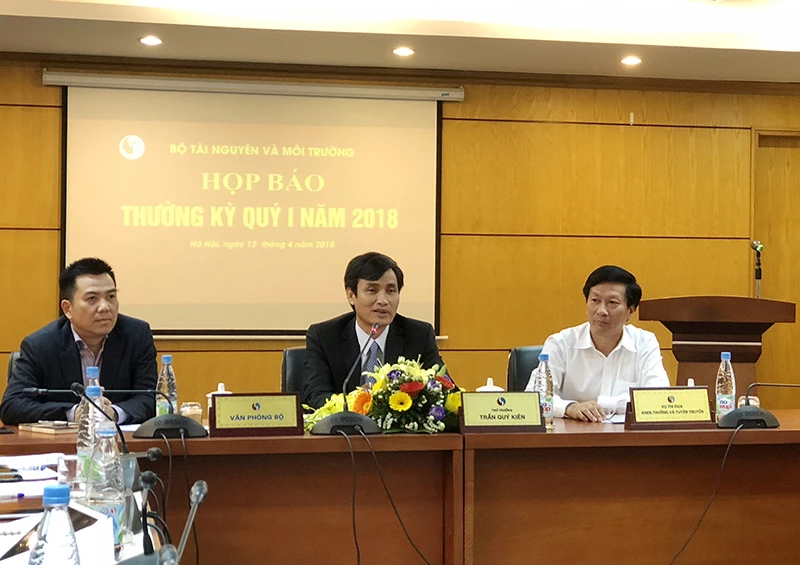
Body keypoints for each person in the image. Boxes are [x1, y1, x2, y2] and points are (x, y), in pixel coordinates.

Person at [0, 258, 158, 425]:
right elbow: (12, 406)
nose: (105, 307)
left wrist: (113, 413)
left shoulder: (136, 336)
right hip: (64, 440)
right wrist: (74, 413)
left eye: (111, 296)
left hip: (118, 439)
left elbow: (152, 398)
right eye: (92, 299)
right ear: (67, 308)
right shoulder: (41, 345)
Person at [302, 252, 446, 409]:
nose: (383, 301)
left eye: (391, 291)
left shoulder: (419, 335)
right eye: (372, 290)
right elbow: (315, 396)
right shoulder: (325, 337)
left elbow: (445, 391)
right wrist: (359, 401)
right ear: (351, 295)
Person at [526, 265, 669, 422]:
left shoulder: (644, 343)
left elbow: (658, 397)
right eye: (595, 300)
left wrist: (605, 404)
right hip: (574, 434)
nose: (601, 311)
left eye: (612, 302)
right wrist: (570, 408)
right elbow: (534, 398)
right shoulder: (561, 343)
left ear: (631, 311)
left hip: (626, 435)